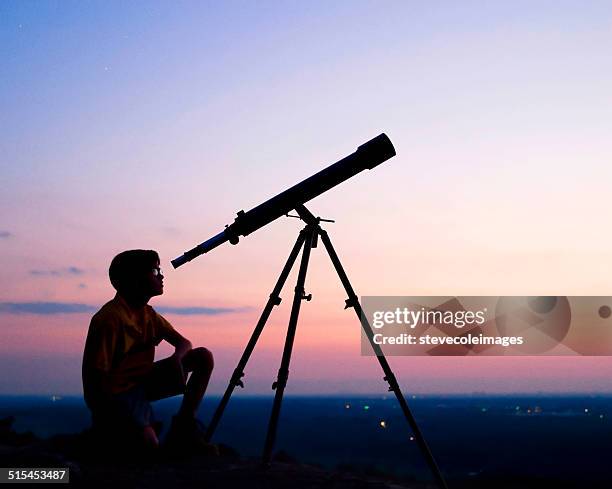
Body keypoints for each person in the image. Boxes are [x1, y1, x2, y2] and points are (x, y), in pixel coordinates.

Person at [82, 249, 214, 452]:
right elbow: (96, 381)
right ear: (134, 279)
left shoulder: (148, 314)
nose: (161, 276)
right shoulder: (109, 319)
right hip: (117, 394)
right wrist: (115, 415)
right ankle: (111, 434)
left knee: (202, 357)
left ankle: (184, 426)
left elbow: (184, 343)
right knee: (148, 446)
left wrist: (176, 358)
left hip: (142, 382)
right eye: (154, 271)